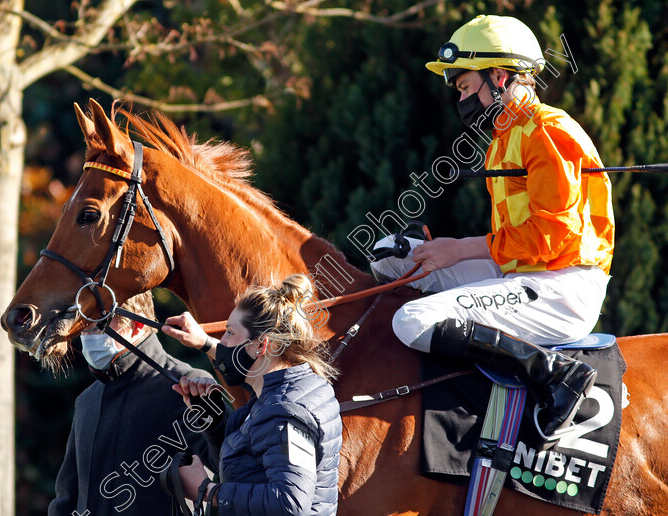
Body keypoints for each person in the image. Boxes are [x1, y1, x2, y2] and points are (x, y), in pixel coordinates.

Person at [372, 14, 614, 438]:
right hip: (522, 272)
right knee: (389, 256)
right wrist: (443, 247)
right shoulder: (505, 137)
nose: (461, 99)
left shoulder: (547, 132)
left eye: (465, 87)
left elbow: (551, 237)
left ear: (498, 77)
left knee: (410, 320)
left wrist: (460, 249)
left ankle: (556, 376)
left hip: (564, 286)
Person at [161, 274, 342, 516]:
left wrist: (206, 491)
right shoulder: (284, 390)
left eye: (229, 332)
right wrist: (213, 418)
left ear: (261, 345)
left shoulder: (284, 412)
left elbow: (290, 503)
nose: (222, 342)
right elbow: (247, 465)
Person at [48, 291, 213, 516]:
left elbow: (228, 473)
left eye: (98, 325)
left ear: (136, 325)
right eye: (84, 327)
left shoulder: (189, 383)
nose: (87, 335)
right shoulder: (87, 400)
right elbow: (67, 498)